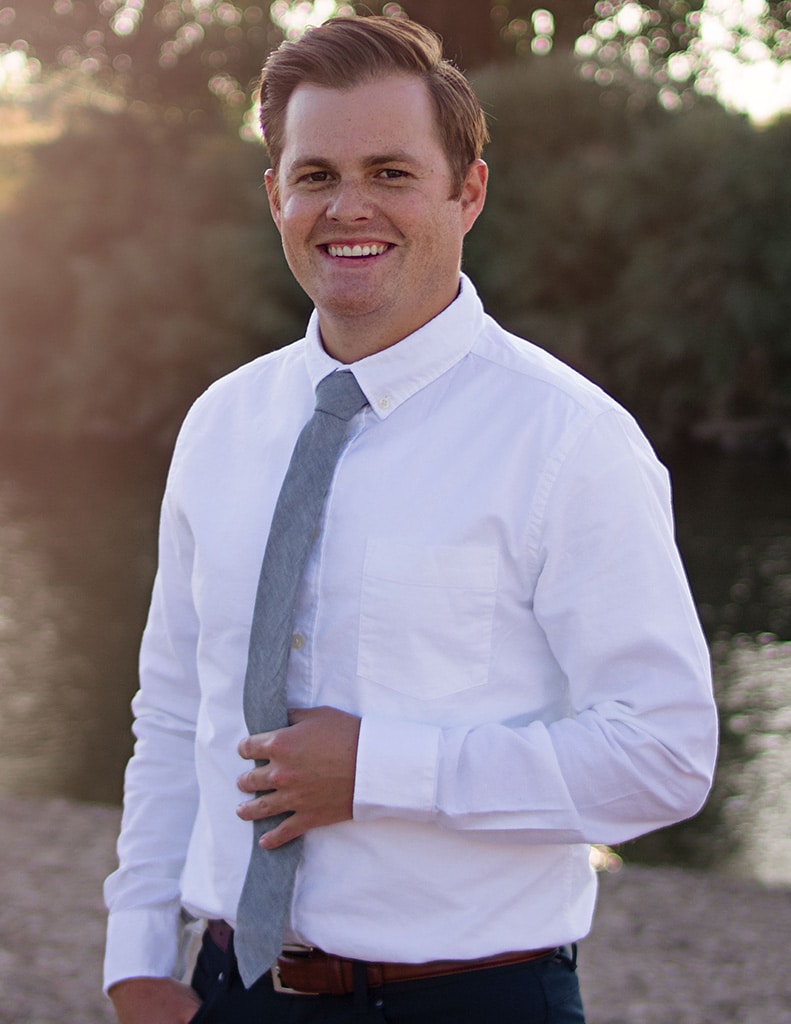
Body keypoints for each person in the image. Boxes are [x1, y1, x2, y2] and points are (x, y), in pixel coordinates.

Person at [104, 15, 718, 1024]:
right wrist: (137, 956)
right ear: (275, 195)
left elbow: (663, 755)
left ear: (465, 191)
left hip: (472, 999)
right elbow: (173, 711)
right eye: (315, 175)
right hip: (229, 988)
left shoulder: (565, 440)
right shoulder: (221, 424)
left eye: (391, 172)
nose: (348, 208)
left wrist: (381, 770)